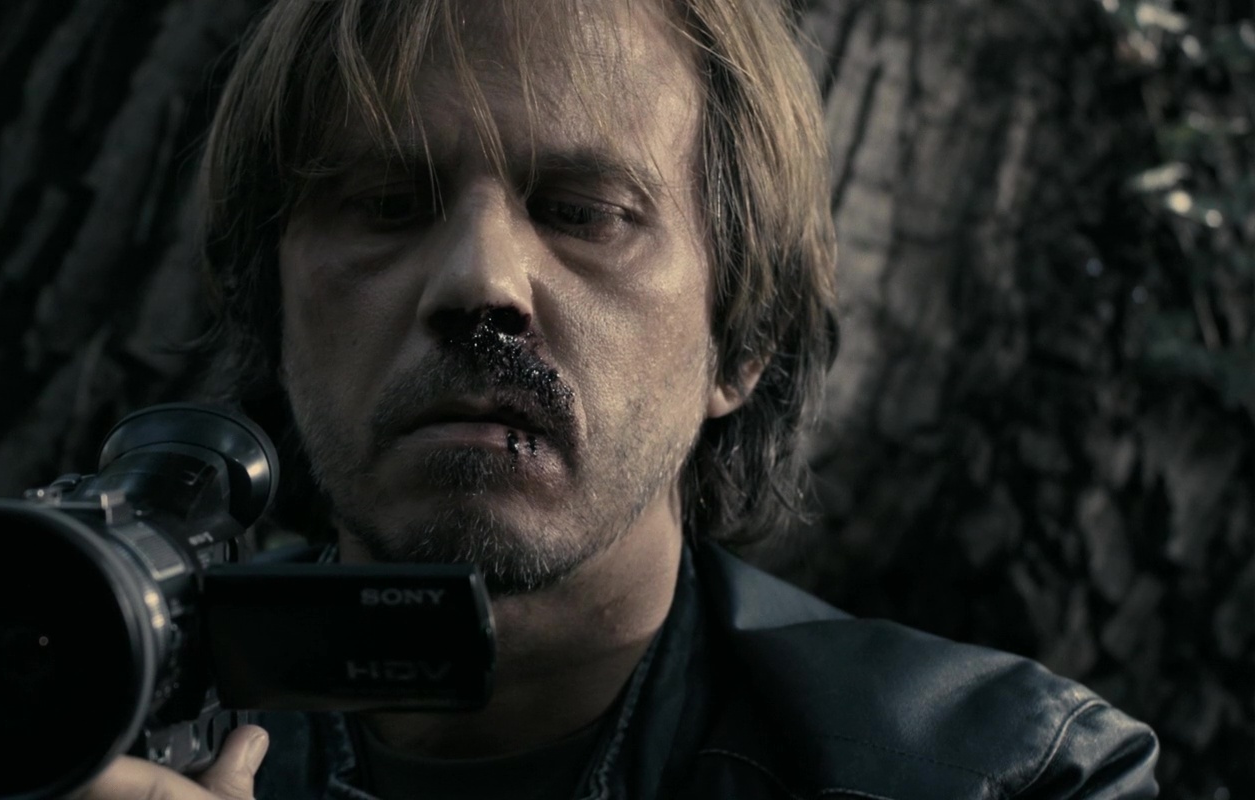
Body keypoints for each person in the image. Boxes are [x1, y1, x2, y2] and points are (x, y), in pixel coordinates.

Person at [78, 0, 1161, 798]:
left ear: (743, 339)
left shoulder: (1011, 777)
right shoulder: (71, 720)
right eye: (387, 204)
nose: (480, 282)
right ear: (274, 309)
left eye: (585, 211)